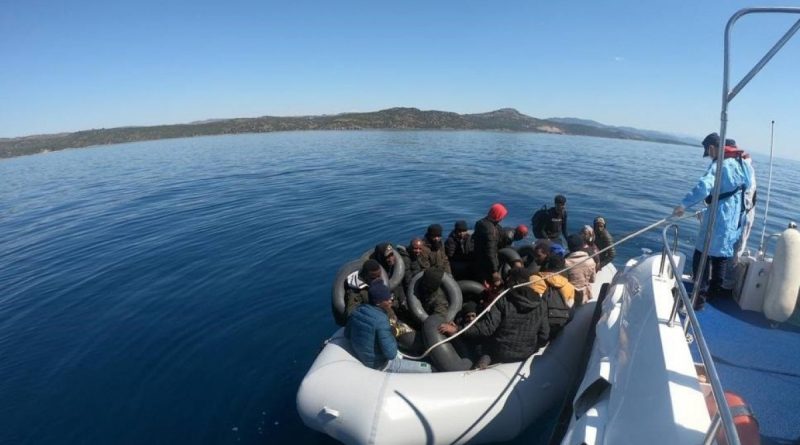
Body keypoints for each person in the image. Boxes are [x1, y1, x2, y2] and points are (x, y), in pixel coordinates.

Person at [673, 132, 751, 309]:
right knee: (721, 256)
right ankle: (713, 295)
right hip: (734, 216)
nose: (709, 156)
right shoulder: (741, 163)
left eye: (708, 152)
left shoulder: (719, 164)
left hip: (719, 216)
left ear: (712, 148)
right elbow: (748, 185)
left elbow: (704, 186)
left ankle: (698, 300)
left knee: (701, 255)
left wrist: (683, 205)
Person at [438, 267, 549, 366]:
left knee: (481, 346)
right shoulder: (541, 304)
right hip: (526, 354)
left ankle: (480, 364)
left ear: (514, 282)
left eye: (509, 279)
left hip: (501, 352)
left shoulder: (503, 300)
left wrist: (458, 329)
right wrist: (530, 347)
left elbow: (486, 328)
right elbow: (544, 334)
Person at [346, 282, 432, 373]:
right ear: (378, 303)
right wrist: (392, 334)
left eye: (390, 296)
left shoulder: (357, 311)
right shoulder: (382, 321)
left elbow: (347, 334)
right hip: (379, 364)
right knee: (427, 368)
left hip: (363, 356)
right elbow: (391, 354)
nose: (391, 300)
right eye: (387, 299)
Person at [721, 138, 758, 291]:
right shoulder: (738, 166)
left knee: (734, 250)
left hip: (742, 216)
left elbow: (743, 197)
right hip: (735, 215)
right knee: (726, 247)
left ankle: (726, 286)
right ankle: (720, 280)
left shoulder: (743, 168)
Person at [529, 252, 576, 338]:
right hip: (556, 326)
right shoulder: (570, 287)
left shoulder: (534, 279)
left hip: (536, 325)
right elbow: (571, 313)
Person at [473, 203, 508, 284]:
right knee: (495, 283)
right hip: (486, 264)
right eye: (501, 216)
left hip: (478, 257)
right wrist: (494, 271)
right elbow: (490, 251)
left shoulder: (481, 222)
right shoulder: (491, 231)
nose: (502, 219)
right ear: (498, 215)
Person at [565, 234, 596, 305]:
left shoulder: (566, 263)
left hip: (570, 296)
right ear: (582, 246)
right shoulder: (591, 261)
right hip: (584, 296)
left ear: (569, 247)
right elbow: (592, 280)